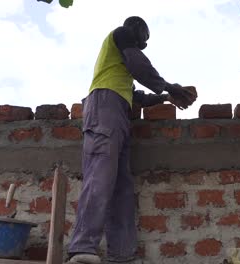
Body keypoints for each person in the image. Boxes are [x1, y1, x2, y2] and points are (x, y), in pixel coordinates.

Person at [66, 16, 196, 264]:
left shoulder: (120, 67)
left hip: (120, 112)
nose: (143, 45)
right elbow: (139, 64)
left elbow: (135, 95)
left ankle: (122, 254)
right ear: (137, 31)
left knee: (121, 186)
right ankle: (82, 247)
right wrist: (169, 86)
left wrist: (166, 97)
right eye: (143, 40)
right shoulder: (121, 33)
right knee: (100, 175)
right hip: (104, 106)